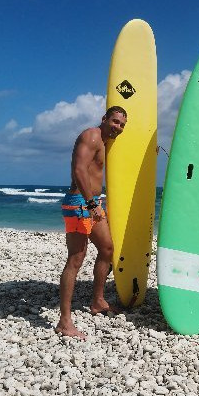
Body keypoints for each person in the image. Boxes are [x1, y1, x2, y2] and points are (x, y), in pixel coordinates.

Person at [56, 106, 127, 340]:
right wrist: (90, 203)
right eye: (115, 121)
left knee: (107, 248)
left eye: (122, 125)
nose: (118, 127)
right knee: (76, 259)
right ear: (104, 119)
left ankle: (97, 301)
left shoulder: (105, 142)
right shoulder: (91, 136)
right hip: (80, 203)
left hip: (91, 202)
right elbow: (79, 170)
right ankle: (64, 322)